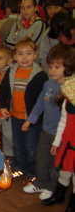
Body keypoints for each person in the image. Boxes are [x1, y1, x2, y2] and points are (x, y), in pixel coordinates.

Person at [22, 44, 75, 200]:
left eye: (57, 67)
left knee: (56, 163)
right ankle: (41, 182)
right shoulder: (48, 84)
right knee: (42, 158)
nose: (52, 70)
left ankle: (52, 187)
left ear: (68, 67)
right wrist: (30, 120)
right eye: (50, 66)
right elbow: (40, 104)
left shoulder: (70, 88)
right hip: (46, 130)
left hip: (63, 135)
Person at [0, 38, 48, 178]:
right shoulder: (11, 71)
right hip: (15, 116)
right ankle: (20, 165)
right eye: (20, 54)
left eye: (28, 53)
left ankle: (32, 170)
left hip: (32, 119)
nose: (24, 57)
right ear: (14, 56)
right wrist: (3, 106)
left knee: (31, 146)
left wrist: (34, 118)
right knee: (17, 144)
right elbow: (3, 90)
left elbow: (41, 101)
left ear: (35, 55)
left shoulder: (40, 75)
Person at [41, 75, 75, 212]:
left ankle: (72, 208)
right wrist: (57, 142)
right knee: (64, 172)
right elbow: (63, 122)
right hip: (67, 144)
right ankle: (58, 195)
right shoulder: (67, 102)